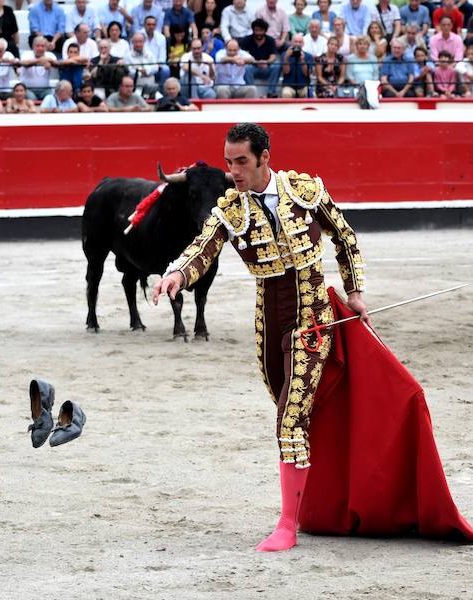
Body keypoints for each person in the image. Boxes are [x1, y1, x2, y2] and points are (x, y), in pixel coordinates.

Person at [152, 122, 369, 553]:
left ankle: (289, 523)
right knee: (292, 408)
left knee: (290, 419)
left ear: (265, 158)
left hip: (312, 317)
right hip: (269, 325)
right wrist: (177, 273)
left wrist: (355, 291)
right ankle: (317, 505)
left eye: (242, 162)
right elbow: (203, 247)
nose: (233, 170)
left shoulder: (305, 191)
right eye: (228, 161)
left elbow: (344, 236)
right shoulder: (230, 210)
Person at [240, 18, 280, 98]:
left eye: (261, 30)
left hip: (266, 67)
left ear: (265, 30)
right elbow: (244, 56)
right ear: (253, 30)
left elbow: (273, 56)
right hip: (252, 67)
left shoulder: (270, 40)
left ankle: (270, 93)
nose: (258, 33)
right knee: (247, 68)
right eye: (256, 30)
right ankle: (251, 92)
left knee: (277, 65)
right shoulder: (247, 40)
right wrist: (256, 62)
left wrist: (266, 62)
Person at [124, 31, 160, 98]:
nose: (138, 44)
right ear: (132, 42)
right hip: (136, 83)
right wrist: (140, 72)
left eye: (140, 42)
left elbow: (155, 67)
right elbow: (129, 71)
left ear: (144, 42)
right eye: (136, 42)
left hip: (150, 81)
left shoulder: (150, 54)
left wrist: (146, 71)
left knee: (159, 96)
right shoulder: (127, 56)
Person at [19, 35, 56, 100]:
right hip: (28, 89)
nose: (40, 48)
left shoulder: (50, 55)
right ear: (33, 47)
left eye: (42, 46)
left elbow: (55, 63)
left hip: (45, 90)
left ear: (46, 47)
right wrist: (41, 60)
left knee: (51, 99)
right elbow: (25, 63)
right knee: (32, 99)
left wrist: (49, 62)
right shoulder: (26, 54)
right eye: (38, 46)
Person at [281, 32, 313, 98]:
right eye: (295, 42)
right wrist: (286, 58)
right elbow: (286, 72)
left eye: (300, 42)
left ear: (303, 44)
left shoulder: (308, 56)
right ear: (291, 42)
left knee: (310, 94)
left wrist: (302, 60)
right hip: (289, 86)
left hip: (304, 86)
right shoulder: (284, 55)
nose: (298, 44)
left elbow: (307, 74)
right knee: (286, 93)